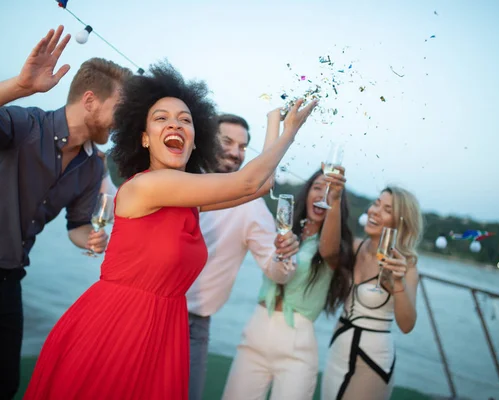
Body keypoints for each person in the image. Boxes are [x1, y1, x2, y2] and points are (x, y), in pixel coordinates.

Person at [23, 61, 318, 399]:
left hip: (164, 329)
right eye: (161, 118)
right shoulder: (147, 187)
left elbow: (257, 186)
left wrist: (272, 123)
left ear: (195, 142)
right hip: (118, 327)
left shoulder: (184, 198)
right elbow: (248, 180)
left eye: (185, 120)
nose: (175, 124)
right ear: (145, 138)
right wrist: (290, 132)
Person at [0, 26, 132, 400]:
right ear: (90, 100)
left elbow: (76, 225)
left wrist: (91, 238)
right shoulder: (26, 124)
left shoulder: (93, 166)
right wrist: (20, 86)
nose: (120, 123)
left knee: (2, 386)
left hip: (9, 281)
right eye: (119, 112)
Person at [186, 109, 300, 400]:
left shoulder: (250, 207)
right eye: (227, 142)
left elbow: (276, 271)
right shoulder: (180, 178)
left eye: (242, 147)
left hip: (192, 326)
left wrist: (283, 254)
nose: (236, 153)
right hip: (146, 308)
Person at [221, 167, 353, 400]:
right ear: (307, 192)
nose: (323, 196)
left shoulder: (333, 249)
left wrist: (336, 197)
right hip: (256, 331)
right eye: (318, 188)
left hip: (297, 347)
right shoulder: (282, 230)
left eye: (330, 192)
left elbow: (327, 250)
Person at [319, 186, 424, 400]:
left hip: (371, 360)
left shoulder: (407, 265)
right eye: (376, 203)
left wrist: (397, 281)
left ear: (401, 222)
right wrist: (336, 200)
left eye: (387, 209)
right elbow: (327, 251)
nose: (374, 211)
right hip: (338, 349)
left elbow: (407, 325)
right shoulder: (356, 247)